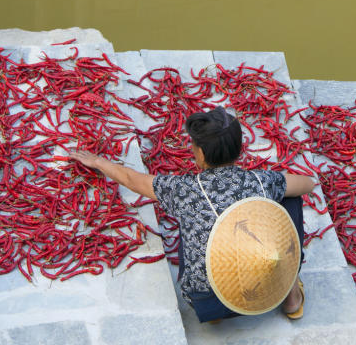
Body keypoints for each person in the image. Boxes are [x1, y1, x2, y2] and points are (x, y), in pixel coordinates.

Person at [69, 106, 315, 322]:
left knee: (192, 228)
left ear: (201, 154)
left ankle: (222, 315)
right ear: (239, 149)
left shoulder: (182, 189)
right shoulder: (262, 181)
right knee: (288, 200)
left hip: (207, 302)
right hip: (265, 291)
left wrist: (99, 162)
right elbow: (307, 184)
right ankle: (291, 297)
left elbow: (133, 180)